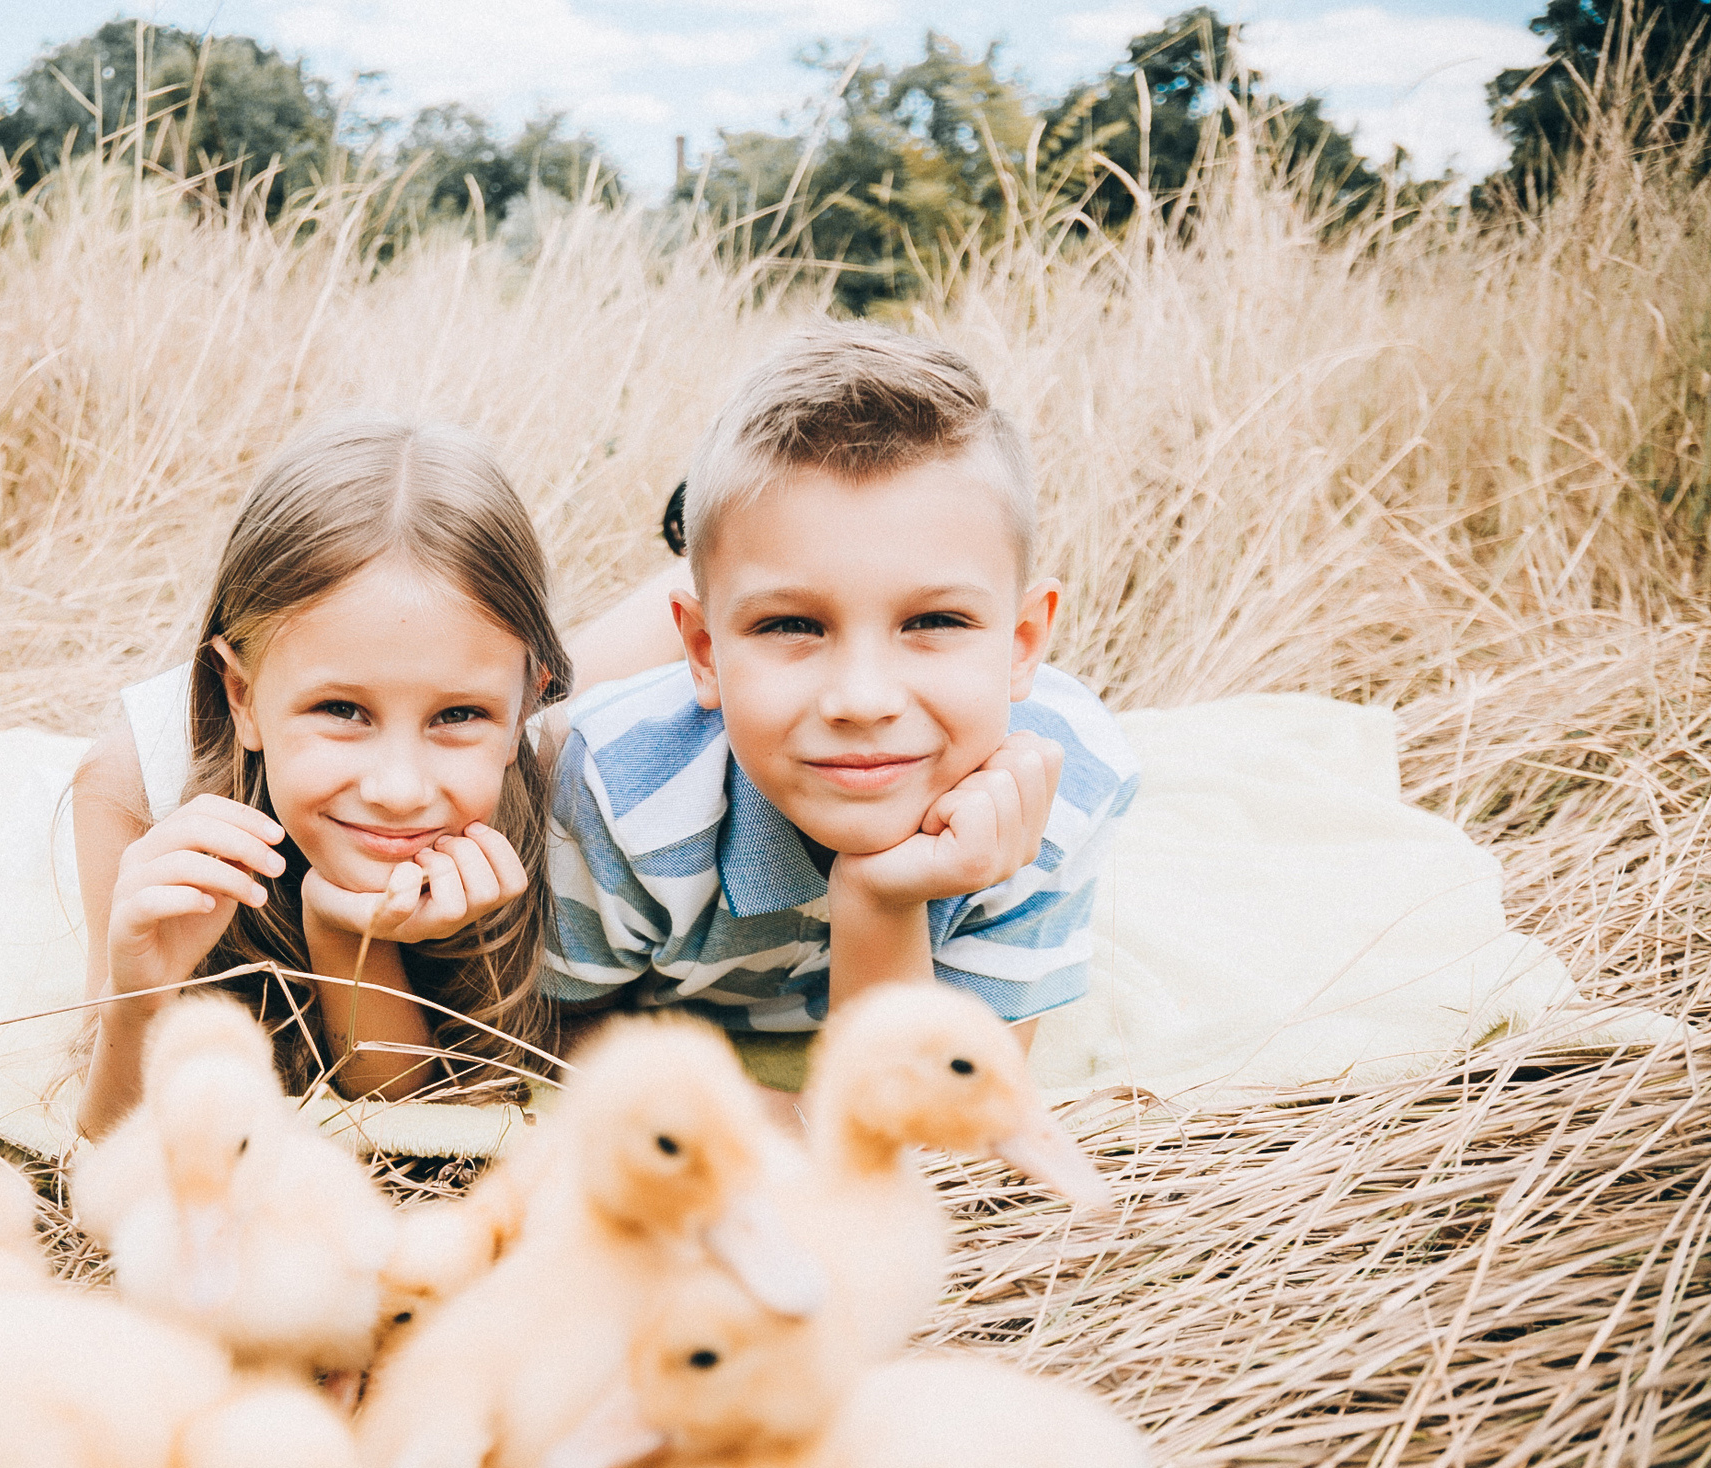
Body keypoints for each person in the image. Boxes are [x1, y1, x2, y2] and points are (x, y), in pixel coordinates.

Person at [543, 320, 1141, 1048]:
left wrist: (877, 900)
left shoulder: (1066, 782)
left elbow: (938, 1103)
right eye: (792, 625)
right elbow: (550, 1031)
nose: (862, 700)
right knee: (540, 719)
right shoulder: (615, 795)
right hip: (645, 714)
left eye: (935, 619)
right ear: (699, 648)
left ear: (1024, 645)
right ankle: (713, 557)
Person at [70, 417, 571, 1135]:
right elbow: (103, 1146)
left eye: (457, 714)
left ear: (524, 709)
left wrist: (341, 931)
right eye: (342, 710)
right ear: (241, 697)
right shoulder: (125, 787)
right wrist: (138, 994)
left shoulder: (546, 788)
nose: (399, 790)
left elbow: (401, 1116)